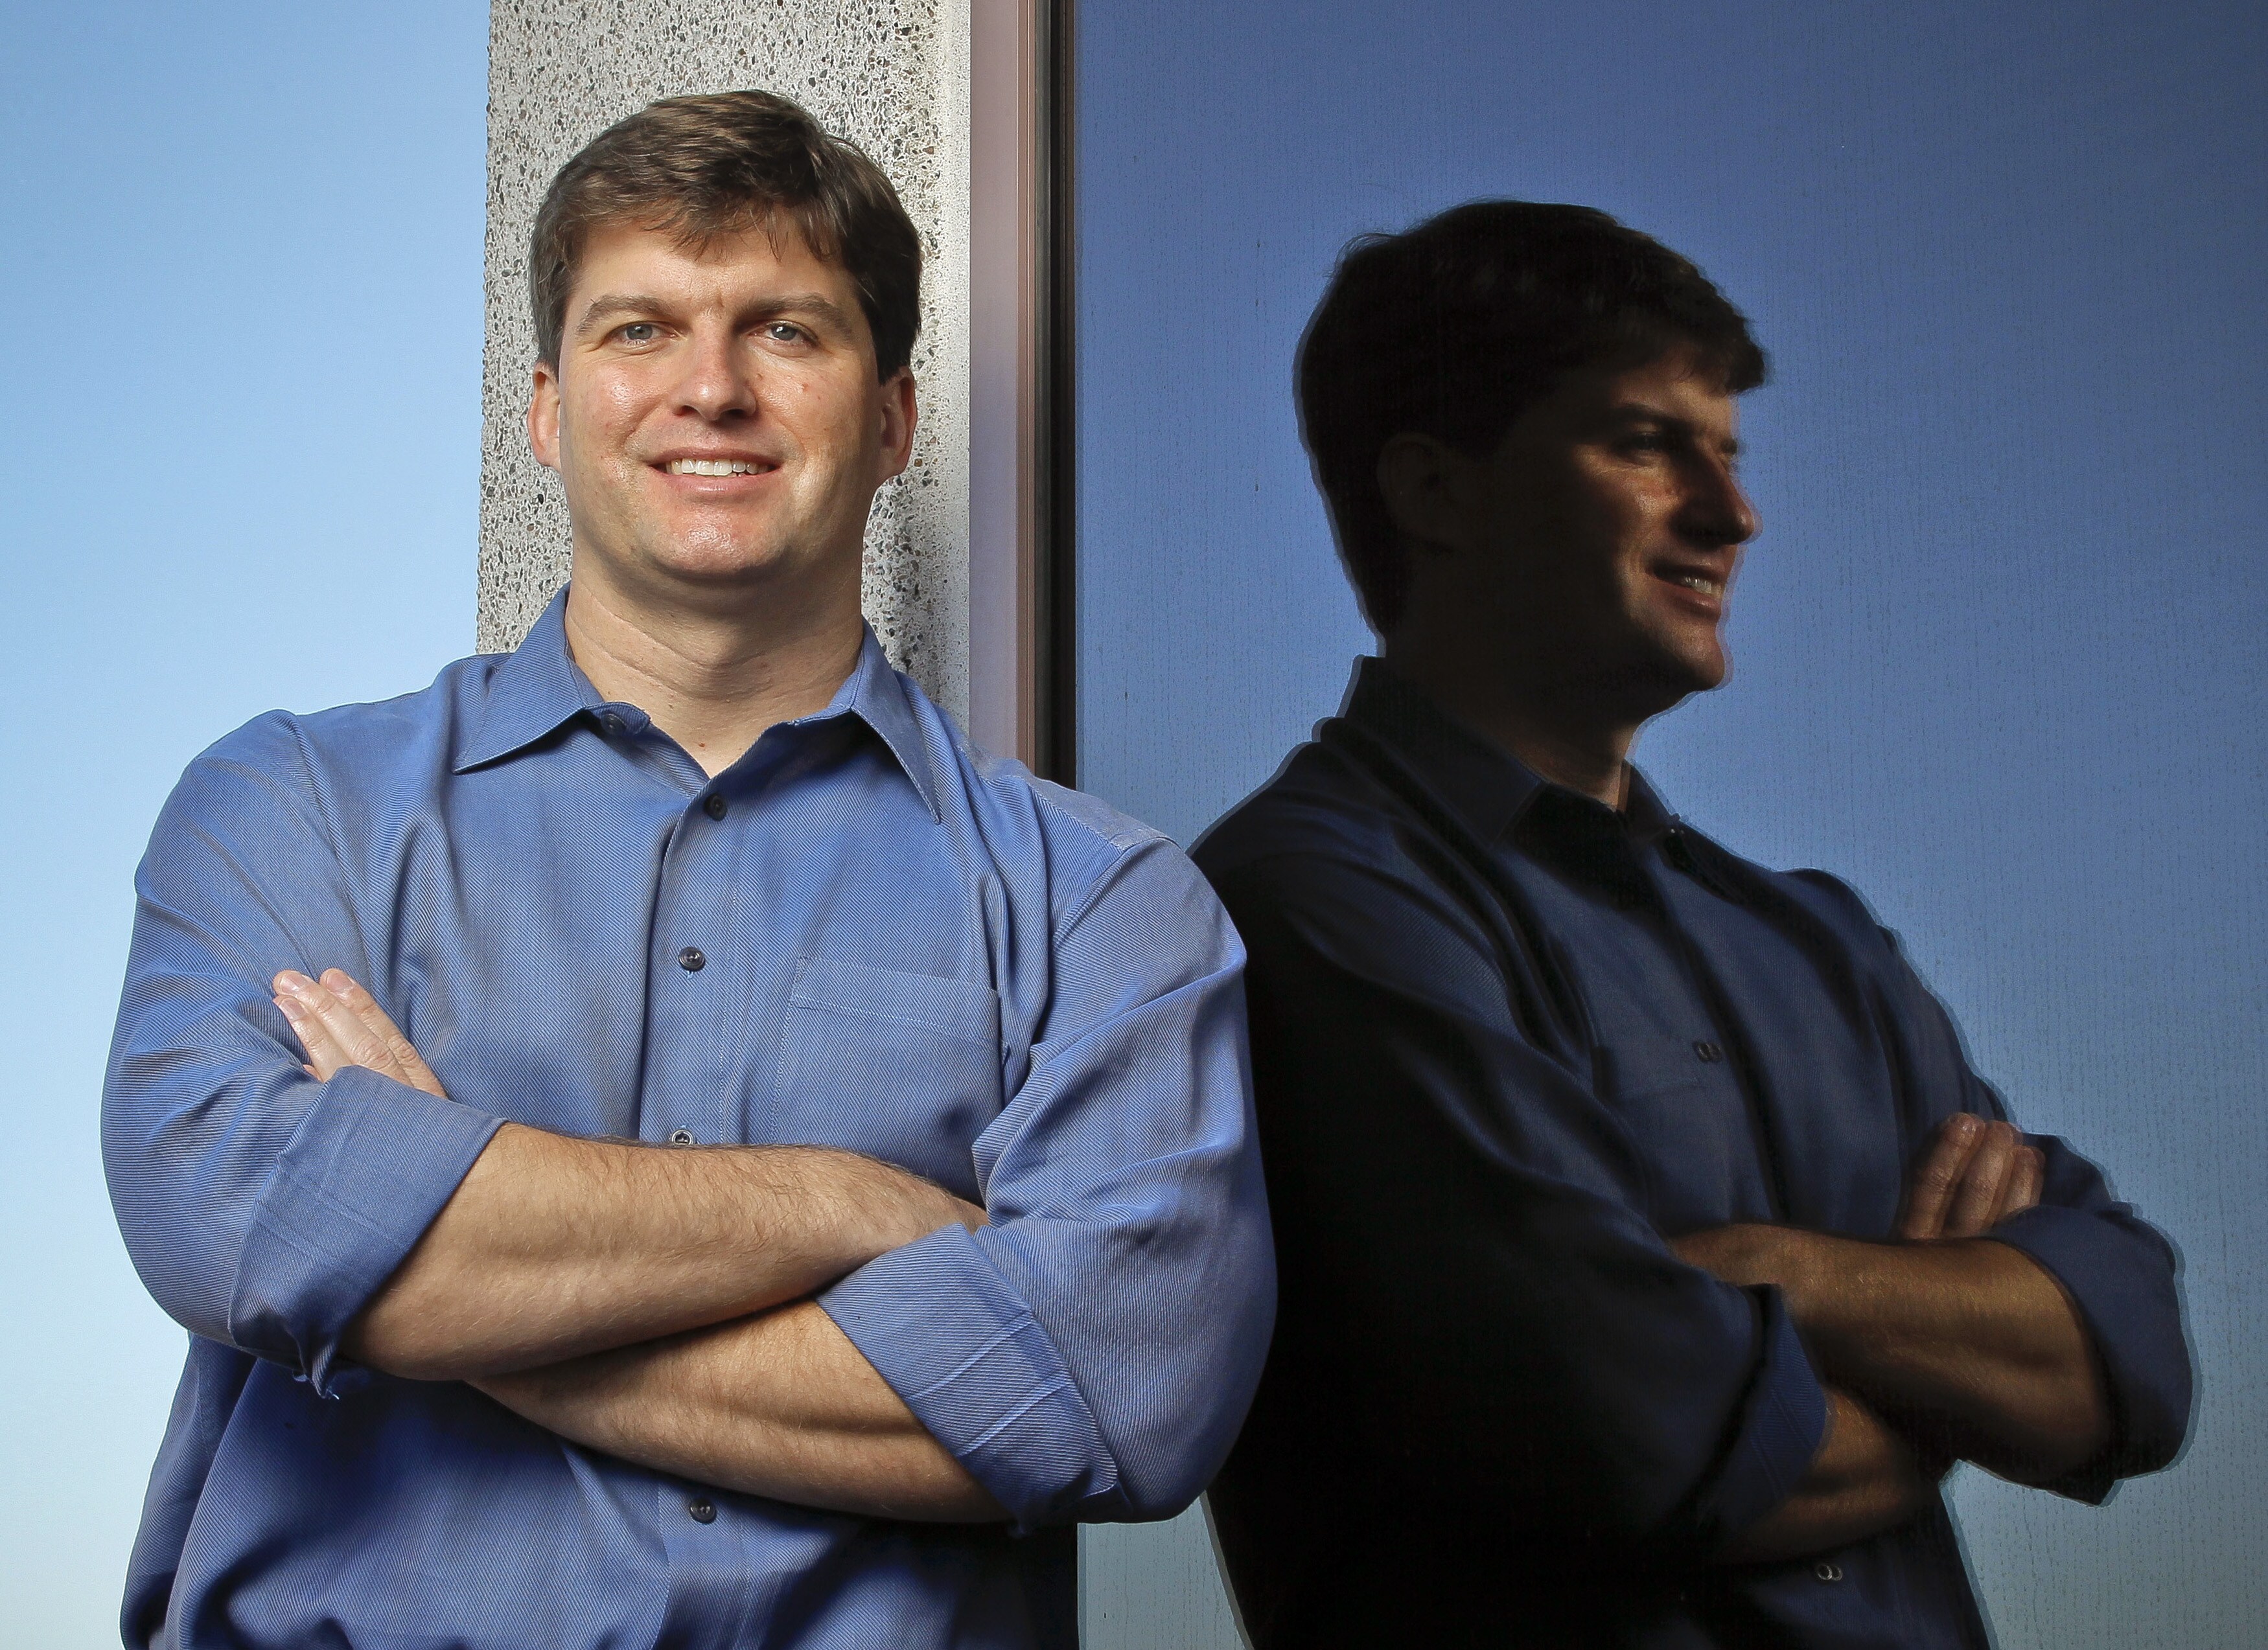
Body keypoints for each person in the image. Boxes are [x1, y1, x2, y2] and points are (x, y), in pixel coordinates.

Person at [103, 90, 1271, 1650]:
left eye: (785, 330)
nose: (709, 388)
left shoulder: (1100, 906)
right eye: (639, 328)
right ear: (546, 408)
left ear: (893, 419)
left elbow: (1121, 1393)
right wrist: (854, 1204)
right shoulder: (294, 808)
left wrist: (439, 1262)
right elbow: (235, 1217)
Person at [1191, 201, 2190, 1648]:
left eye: (1729, 453)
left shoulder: (1819, 942)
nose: (1732, 514)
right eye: (1645, 443)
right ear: (1437, 491)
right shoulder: (1304, 901)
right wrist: (1956, 1380)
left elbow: (2133, 1357)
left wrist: (1775, 1272)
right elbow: (1631, 1439)